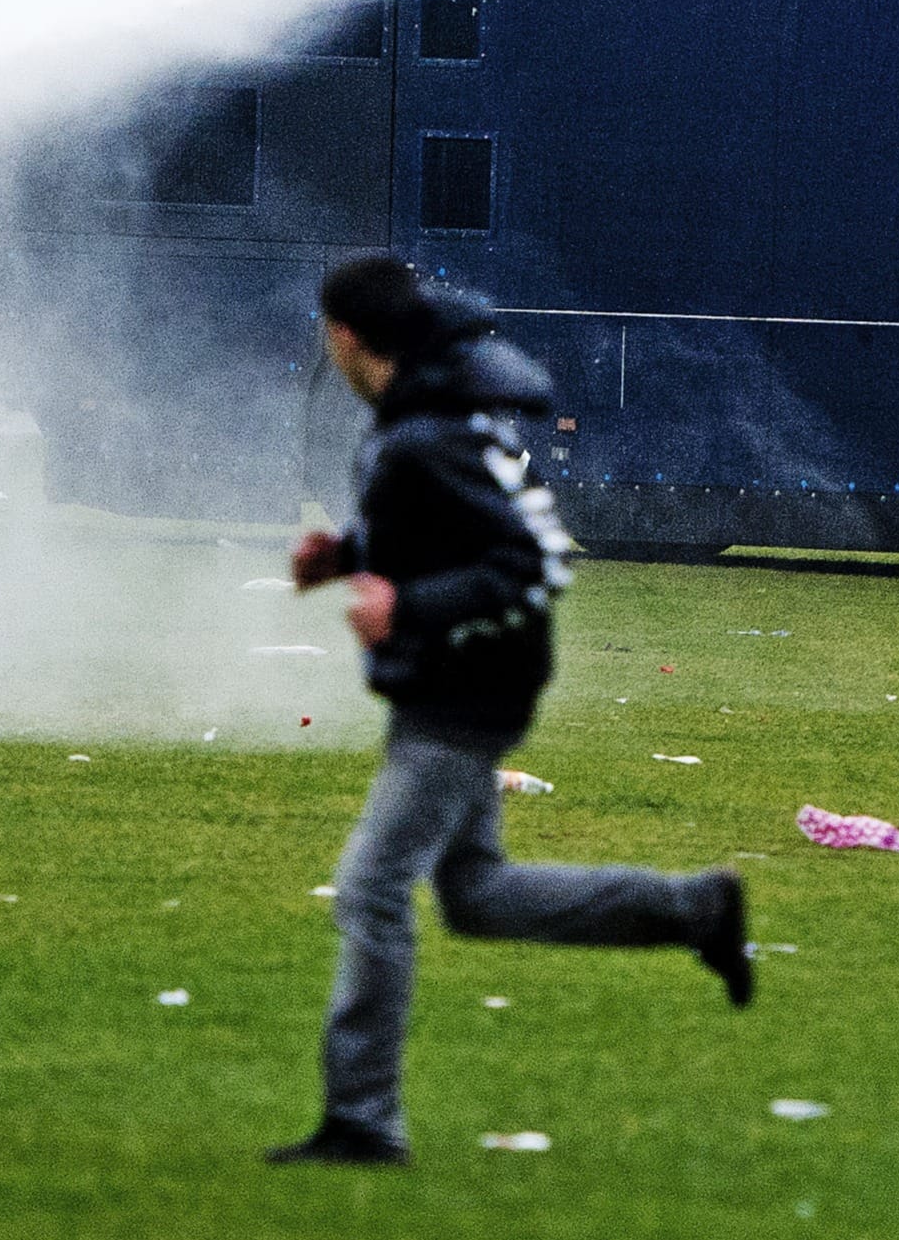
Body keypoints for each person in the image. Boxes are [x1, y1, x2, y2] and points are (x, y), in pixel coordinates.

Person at [267, 255, 752, 1169]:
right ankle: (693, 909)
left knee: (371, 890)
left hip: (465, 691)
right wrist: (346, 556)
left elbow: (530, 561)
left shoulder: (426, 433)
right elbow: (435, 533)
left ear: (341, 336)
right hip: (462, 682)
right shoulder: (425, 415)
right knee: (476, 894)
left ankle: (362, 1121)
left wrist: (405, 608)